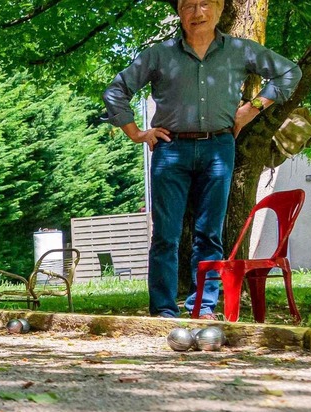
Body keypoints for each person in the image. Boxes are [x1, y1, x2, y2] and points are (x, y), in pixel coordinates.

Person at [102, 0, 300, 319]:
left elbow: (290, 72)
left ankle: (203, 307)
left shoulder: (240, 50)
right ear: (179, 12)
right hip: (171, 150)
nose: (198, 13)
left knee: (210, 233)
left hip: (219, 147)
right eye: (189, 6)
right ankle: (164, 311)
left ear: (220, 10)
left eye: (205, 4)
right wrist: (137, 133)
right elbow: (116, 92)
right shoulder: (158, 54)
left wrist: (252, 109)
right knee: (166, 233)